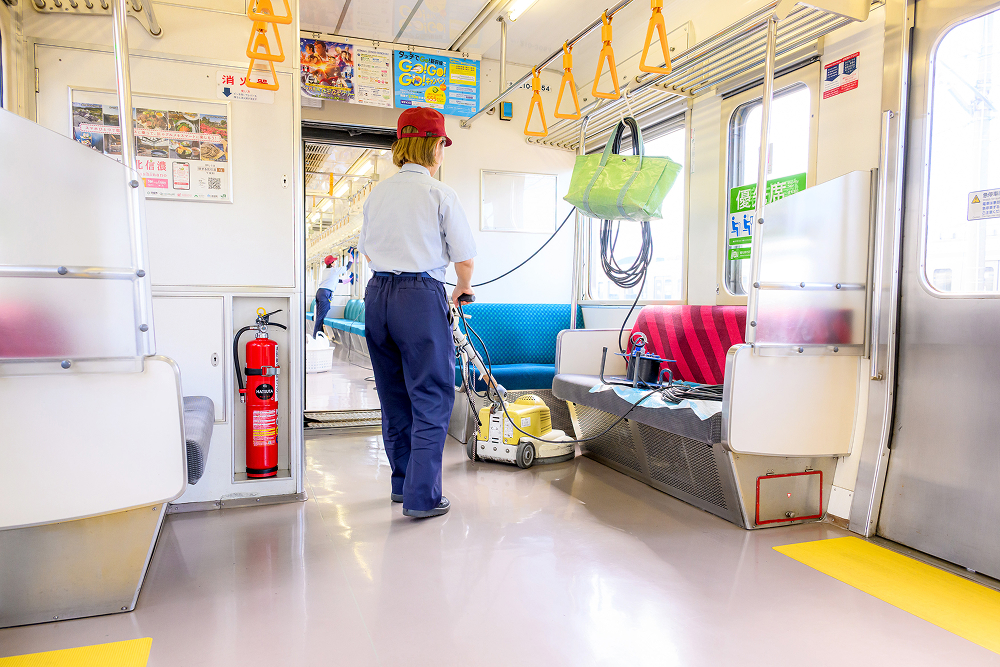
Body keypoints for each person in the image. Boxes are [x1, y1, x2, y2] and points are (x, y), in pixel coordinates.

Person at [359, 107, 476, 519]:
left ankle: (401, 482)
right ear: (434, 147)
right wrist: (462, 288)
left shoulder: (378, 194)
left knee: (393, 395)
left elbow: (368, 250)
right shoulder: (440, 193)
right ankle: (422, 497)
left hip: (377, 296)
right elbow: (464, 258)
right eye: (442, 144)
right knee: (431, 395)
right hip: (419, 296)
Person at [313, 255, 348, 338]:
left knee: (319, 315)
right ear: (331, 264)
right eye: (334, 261)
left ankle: (319, 335)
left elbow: (333, 280)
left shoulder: (326, 271)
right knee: (321, 316)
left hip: (320, 292)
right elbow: (347, 267)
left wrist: (345, 281)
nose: (335, 263)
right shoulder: (333, 270)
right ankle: (316, 336)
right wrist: (351, 259)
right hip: (325, 293)